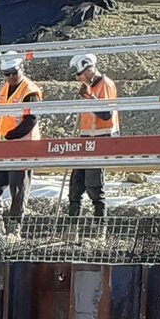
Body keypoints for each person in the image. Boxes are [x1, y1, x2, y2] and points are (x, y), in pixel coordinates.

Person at [0, 54, 42, 226]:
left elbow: (31, 120)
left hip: (23, 146)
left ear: (21, 69)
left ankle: (15, 225)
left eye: (13, 73)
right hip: (3, 147)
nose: (10, 77)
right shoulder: (3, 89)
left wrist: (11, 135)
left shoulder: (30, 91)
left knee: (18, 187)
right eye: (6, 74)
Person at [64, 53, 119, 216]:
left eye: (80, 74)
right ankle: (72, 223)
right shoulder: (88, 87)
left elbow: (106, 114)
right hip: (87, 138)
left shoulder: (105, 84)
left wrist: (90, 96)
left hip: (102, 138)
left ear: (89, 69)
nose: (78, 78)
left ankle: (100, 223)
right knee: (76, 184)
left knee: (94, 185)